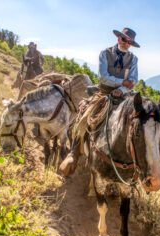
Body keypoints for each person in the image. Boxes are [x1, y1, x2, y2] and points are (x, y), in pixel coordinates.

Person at [59, 27, 140, 176]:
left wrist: (122, 90)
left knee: (141, 121)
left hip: (124, 94)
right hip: (104, 92)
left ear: (131, 44)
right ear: (118, 38)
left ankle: (142, 163)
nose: (126, 43)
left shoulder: (133, 59)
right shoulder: (105, 53)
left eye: (129, 42)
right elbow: (103, 77)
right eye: (124, 39)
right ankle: (74, 153)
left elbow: (134, 80)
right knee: (84, 115)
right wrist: (123, 82)